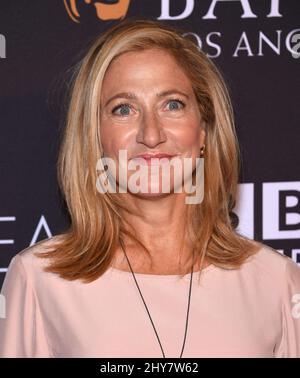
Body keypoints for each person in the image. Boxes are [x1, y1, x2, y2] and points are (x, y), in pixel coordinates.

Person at [0, 18, 299, 358]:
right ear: (94, 137)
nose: (151, 134)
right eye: (123, 109)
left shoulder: (276, 281)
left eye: (172, 104)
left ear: (203, 129)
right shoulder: (40, 279)